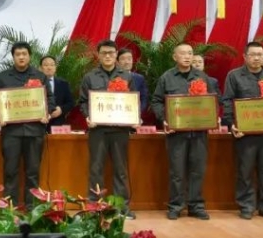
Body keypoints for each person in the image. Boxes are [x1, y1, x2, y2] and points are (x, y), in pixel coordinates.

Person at [221, 41, 263, 220]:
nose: (257, 58)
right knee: (245, 171)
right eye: (253, 55)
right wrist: (232, 124)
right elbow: (227, 101)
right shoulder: (234, 76)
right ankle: (246, 206)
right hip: (245, 133)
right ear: (245, 57)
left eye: (260, 55)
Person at [0, 41, 54, 208]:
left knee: (33, 171)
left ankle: (32, 207)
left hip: (35, 131)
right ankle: (11, 208)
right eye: (18, 54)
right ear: (13, 57)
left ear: (29, 56)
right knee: (10, 171)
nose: (21, 57)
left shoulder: (40, 76)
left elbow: (50, 99)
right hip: (11, 132)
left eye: (24, 54)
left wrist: (47, 113)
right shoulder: (3, 77)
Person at [150, 42, 212, 220]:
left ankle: (196, 206)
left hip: (198, 132)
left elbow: (213, 100)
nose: (187, 56)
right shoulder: (167, 77)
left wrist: (213, 116)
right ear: (174, 57)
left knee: (197, 170)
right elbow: (156, 101)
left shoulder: (202, 77)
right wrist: (165, 119)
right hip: (176, 133)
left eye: (190, 53)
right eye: (183, 53)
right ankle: (175, 206)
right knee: (177, 172)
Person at [78, 39, 136, 218]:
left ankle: (121, 208)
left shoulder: (127, 77)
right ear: (98, 55)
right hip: (98, 130)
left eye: (111, 53)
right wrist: (88, 116)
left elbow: (133, 100)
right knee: (96, 169)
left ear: (116, 54)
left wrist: (134, 118)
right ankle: (95, 207)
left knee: (120, 170)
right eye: (104, 53)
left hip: (120, 131)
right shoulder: (90, 77)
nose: (108, 56)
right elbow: (83, 101)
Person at [41, 55, 75, 131]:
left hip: (58, 124)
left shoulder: (63, 84)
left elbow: (71, 103)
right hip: (39, 125)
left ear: (55, 67)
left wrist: (61, 109)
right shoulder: (34, 84)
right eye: (46, 65)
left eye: (52, 65)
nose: (49, 67)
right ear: (40, 68)